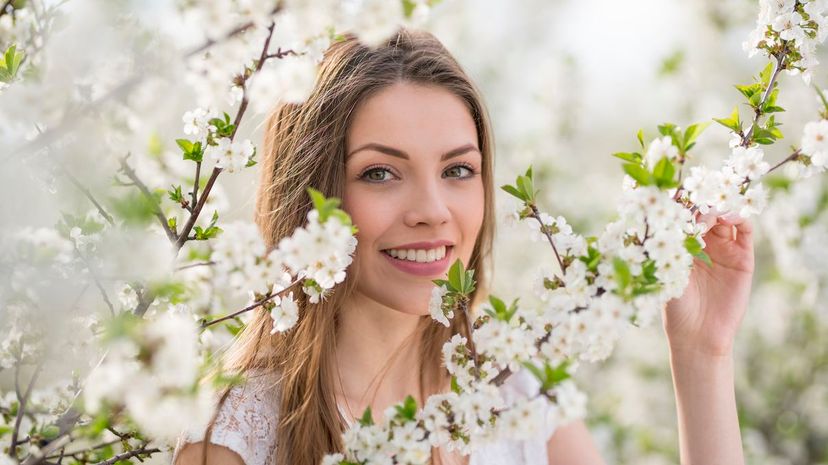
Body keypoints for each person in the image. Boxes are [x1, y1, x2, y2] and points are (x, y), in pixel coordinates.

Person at [173, 27, 753, 465]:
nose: (432, 211)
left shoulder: (520, 401)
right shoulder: (241, 431)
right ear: (311, 197)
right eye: (380, 173)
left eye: (457, 170)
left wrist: (703, 353)